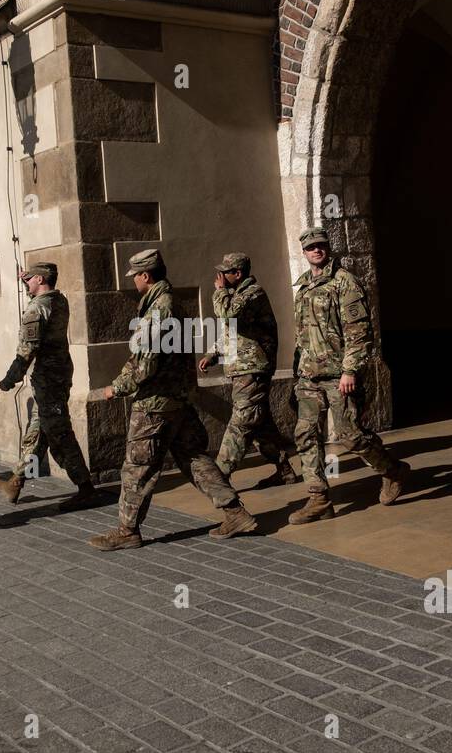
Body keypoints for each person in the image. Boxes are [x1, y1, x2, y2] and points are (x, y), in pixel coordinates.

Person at [89, 248, 257, 551]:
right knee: (193, 457)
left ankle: (127, 531)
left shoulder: (159, 309)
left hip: (155, 403)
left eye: (135, 277)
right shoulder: (169, 302)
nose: (134, 283)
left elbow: (145, 363)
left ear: (145, 275)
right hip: (176, 401)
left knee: (138, 468)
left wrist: (118, 387)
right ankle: (235, 513)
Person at [289, 227, 407, 524]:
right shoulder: (303, 284)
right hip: (309, 376)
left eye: (321, 245)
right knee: (305, 435)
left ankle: (392, 471)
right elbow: (302, 333)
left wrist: (350, 369)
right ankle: (318, 499)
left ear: (327, 248)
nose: (317, 250)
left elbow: (359, 333)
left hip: (338, 375)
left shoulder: (345, 282)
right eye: (311, 247)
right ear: (304, 253)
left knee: (350, 436)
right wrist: (297, 370)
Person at [0, 263, 101, 512]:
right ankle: (16, 482)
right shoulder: (58, 301)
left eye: (29, 279)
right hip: (59, 374)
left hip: (48, 380)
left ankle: (86, 488)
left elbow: (28, 349)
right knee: (37, 435)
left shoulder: (36, 309)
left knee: (60, 434)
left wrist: (10, 378)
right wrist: (26, 282)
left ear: (40, 278)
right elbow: (39, 295)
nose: (26, 283)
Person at [198, 252, 297, 487]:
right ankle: (284, 470)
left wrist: (220, 291)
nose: (220, 276)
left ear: (238, 273)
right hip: (242, 368)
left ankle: (220, 474)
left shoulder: (253, 293)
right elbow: (233, 331)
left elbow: (228, 314)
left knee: (242, 420)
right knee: (259, 423)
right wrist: (214, 353)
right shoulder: (236, 295)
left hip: (253, 368)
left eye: (225, 272)